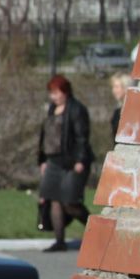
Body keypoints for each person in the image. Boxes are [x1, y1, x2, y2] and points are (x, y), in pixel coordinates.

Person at [37, 74, 93, 253]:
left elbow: (82, 136)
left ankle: (96, 230)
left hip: (71, 162)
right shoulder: (52, 109)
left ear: (65, 92)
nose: (53, 96)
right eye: (51, 93)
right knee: (54, 199)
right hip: (53, 161)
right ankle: (59, 240)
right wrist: (43, 160)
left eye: (56, 92)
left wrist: (80, 159)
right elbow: (46, 136)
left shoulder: (76, 109)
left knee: (70, 201)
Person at [109, 71, 131, 141]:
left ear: (125, 88)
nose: (113, 90)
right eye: (113, 87)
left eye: (116, 87)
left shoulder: (132, 111)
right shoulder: (117, 112)